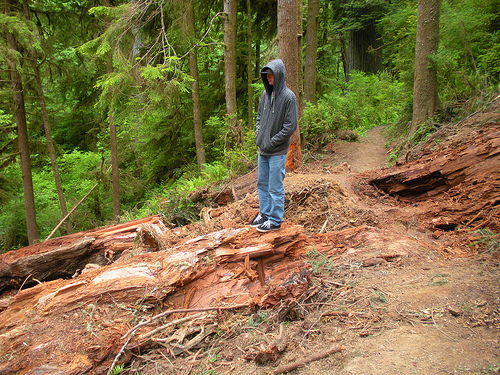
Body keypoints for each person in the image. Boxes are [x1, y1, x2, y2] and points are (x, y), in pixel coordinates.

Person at [250, 59, 298, 233]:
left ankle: (275, 220)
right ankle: (264, 213)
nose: (269, 78)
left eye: (271, 75)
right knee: (262, 184)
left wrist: (271, 141)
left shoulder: (288, 97)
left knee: (275, 186)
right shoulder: (265, 95)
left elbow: (290, 126)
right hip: (262, 150)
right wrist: (259, 136)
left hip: (277, 151)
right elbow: (259, 118)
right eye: (267, 76)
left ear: (279, 75)